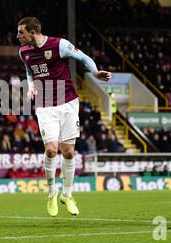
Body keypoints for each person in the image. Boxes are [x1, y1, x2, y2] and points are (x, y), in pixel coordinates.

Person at [16, 17, 111, 216]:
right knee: (51, 149)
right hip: (44, 105)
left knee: (68, 152)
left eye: (21, 32)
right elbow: (29, 71)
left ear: (32, 32)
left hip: (68, 102)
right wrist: (31, 85)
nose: (18, 36)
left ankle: (67, 195)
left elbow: (84, 58)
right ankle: (52, 193)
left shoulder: (59, 45)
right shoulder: (23, 52)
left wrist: (94, 72)